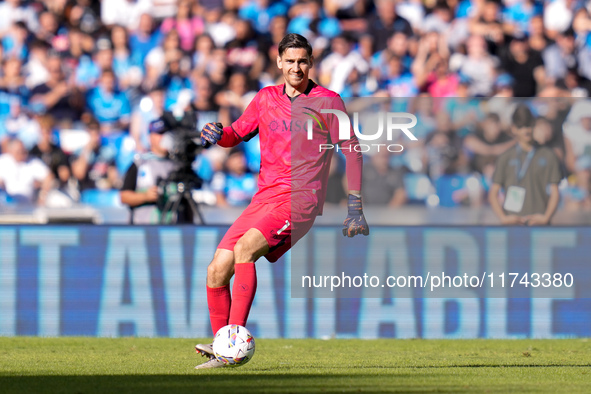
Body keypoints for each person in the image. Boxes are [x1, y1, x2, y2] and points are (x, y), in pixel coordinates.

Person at [194, 33, 368, 369]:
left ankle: (234, 343)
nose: (296, 68)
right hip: (264, 198)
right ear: (279, 63)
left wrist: (355, 205)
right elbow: (237, 133)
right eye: (290, 61)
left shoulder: (328, 101)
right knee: (216, 271)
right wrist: (218, 134)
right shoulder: (264, 98)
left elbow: (353, 151)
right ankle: (222, 349)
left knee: (245, 250)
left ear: (311, 63)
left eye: (302, 61)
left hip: (301, 198)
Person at [489, 104, 562, 226]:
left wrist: (546, 217)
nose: (526, 130)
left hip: (538, 223)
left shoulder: (548, 155)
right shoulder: (505, 157)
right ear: (513, 128)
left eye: (528, 125)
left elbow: (555, 191)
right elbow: (493, 193)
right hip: (512, 224)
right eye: (521, 126)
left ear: (534, 125)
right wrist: (503, 218)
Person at [120, 116, 191, 224]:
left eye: (166, 133)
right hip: (143, 227)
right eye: (160, 133)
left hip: (171, 230)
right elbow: (124, 196)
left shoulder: (177, 165)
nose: (164, 138)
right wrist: (145, 196)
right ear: (150, 137)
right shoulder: (140, 163)